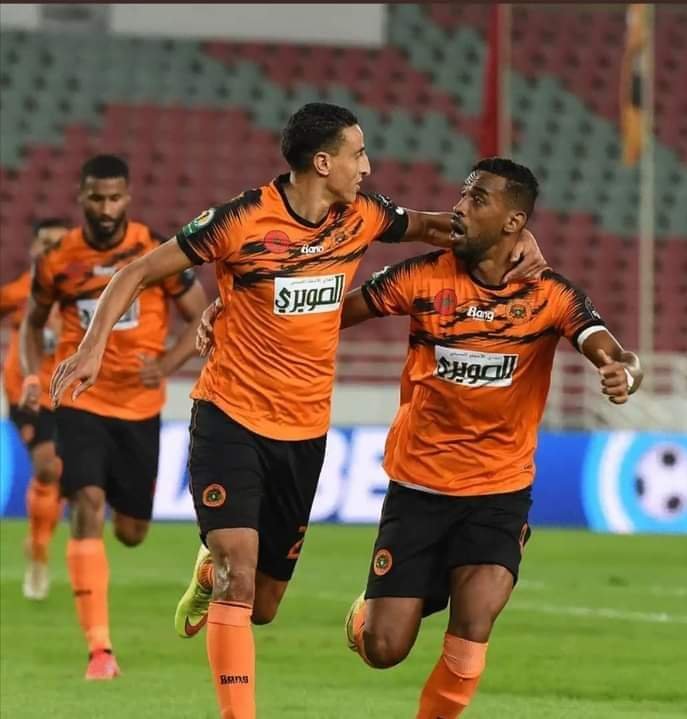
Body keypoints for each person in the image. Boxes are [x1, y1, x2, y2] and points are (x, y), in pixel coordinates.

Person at [49, 105, 545, 716]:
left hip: (303, 432)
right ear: (324, 162)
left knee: (262, 605)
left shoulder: (363, 216)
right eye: (358, 154)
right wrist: (91, 347)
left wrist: (522, 240)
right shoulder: (240, 220)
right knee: (238, 571)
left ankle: (208, 574)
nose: (368, 166)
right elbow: (138, 270)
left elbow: (443, 227)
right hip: (229, 416)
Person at [338, 158, 643, 719]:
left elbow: (609, 345)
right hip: (420, 486)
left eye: (477, 199)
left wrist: (622, 369)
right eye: (462, 194)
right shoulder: (423, 276)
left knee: (474, 624)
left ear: (513, 221)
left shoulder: (550, 294)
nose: (459, 207)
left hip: (498, 493)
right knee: (383, 648)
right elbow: (334, 315)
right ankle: (383, 607)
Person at [20, 154, 208, 680]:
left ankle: (93, 526)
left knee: (131, 532)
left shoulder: (156, 251)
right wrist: (33, 376)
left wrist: (167, 364)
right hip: (81, 399)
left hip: (139, 408)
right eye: (97, 198)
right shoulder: (58, 259)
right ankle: (100, 650)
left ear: (128, 197)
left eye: (115, 198)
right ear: (81, 197)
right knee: (87, 502)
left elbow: (202, 314)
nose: (106, 209)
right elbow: (32, 325)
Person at [1, 218, 69, 600]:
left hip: (68, 393)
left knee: (58, 474)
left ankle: (39, 541)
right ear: (33, 249)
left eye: (60, 244)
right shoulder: (19, 292)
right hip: (25, 394)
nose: (52, 251)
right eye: (46, 243)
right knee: (46, 467)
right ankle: (39, 552)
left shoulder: (84, 293)